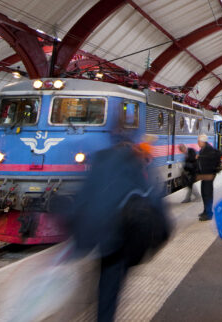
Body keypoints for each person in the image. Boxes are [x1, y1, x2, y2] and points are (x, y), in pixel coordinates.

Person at [68, 136, 169, 321]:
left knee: (105, 279)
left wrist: (76, 236)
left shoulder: (99, 164)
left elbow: (81, 201)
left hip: (100, 235)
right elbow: (153, 201)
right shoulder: (135, 168)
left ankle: (102, 311)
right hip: (121, 237)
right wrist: (161, 235)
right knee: (111, 281)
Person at [196, 133, 221, 221]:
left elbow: (209, 160)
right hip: (205, 175)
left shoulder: (208, 150)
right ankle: (206, 211)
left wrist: (199, 157)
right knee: (204, 193)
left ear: (203, 141)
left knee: (207, 194)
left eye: (198, 141)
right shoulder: (204, 149)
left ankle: (209, 213)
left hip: (208, 175)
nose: (197, 143)